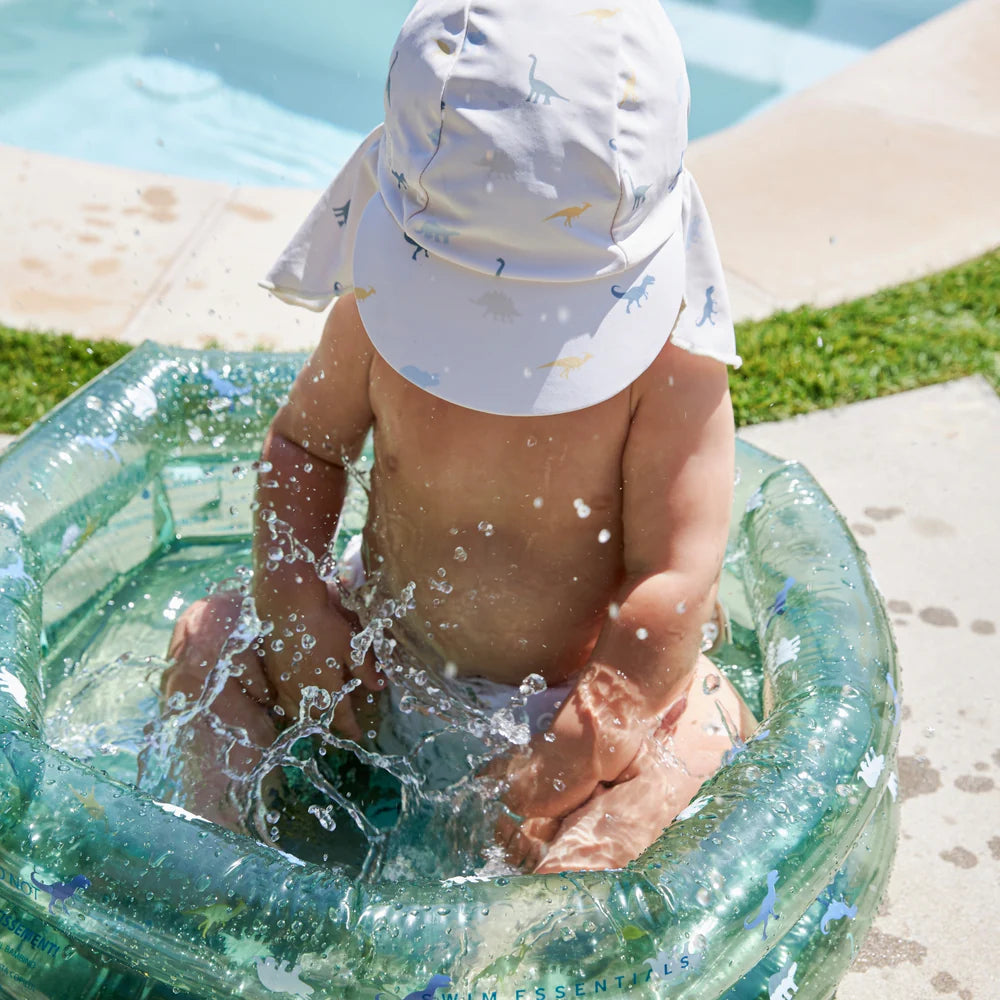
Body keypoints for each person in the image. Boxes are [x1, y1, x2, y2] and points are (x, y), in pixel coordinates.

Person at [160, 0, 756, 874]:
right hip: (380, 661)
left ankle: (534, 920)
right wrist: (296, 600)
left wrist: (591, 732)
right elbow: (305, 449)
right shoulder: (377, 306)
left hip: (558, 706)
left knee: (701, 732)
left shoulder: (671, 364)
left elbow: (677, 575)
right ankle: (222, 874)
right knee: (209, 637)